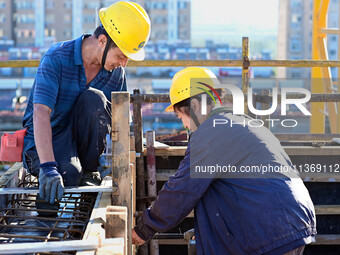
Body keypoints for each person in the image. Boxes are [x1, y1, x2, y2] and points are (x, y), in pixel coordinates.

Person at [132, 67, 316, 254]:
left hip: (271, 230)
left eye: (181, 118)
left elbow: (182, 189)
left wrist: (143, 229)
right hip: (289, 222)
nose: (185, 126)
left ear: (195, 106)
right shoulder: (241, 123)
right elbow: (239, 191)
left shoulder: (211, 132)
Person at [22, 1, 151, 210]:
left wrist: (122, 159)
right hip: (47, 139)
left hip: (82, 144)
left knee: (95, 100)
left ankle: (90, 172)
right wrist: (48, 167)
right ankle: (47, 218)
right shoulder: (57, 58)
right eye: (121, 55)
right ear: (102, 40)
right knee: (67, 175)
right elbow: (40, 113)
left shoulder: (115, 73)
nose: (124, 63)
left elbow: (117, 120)